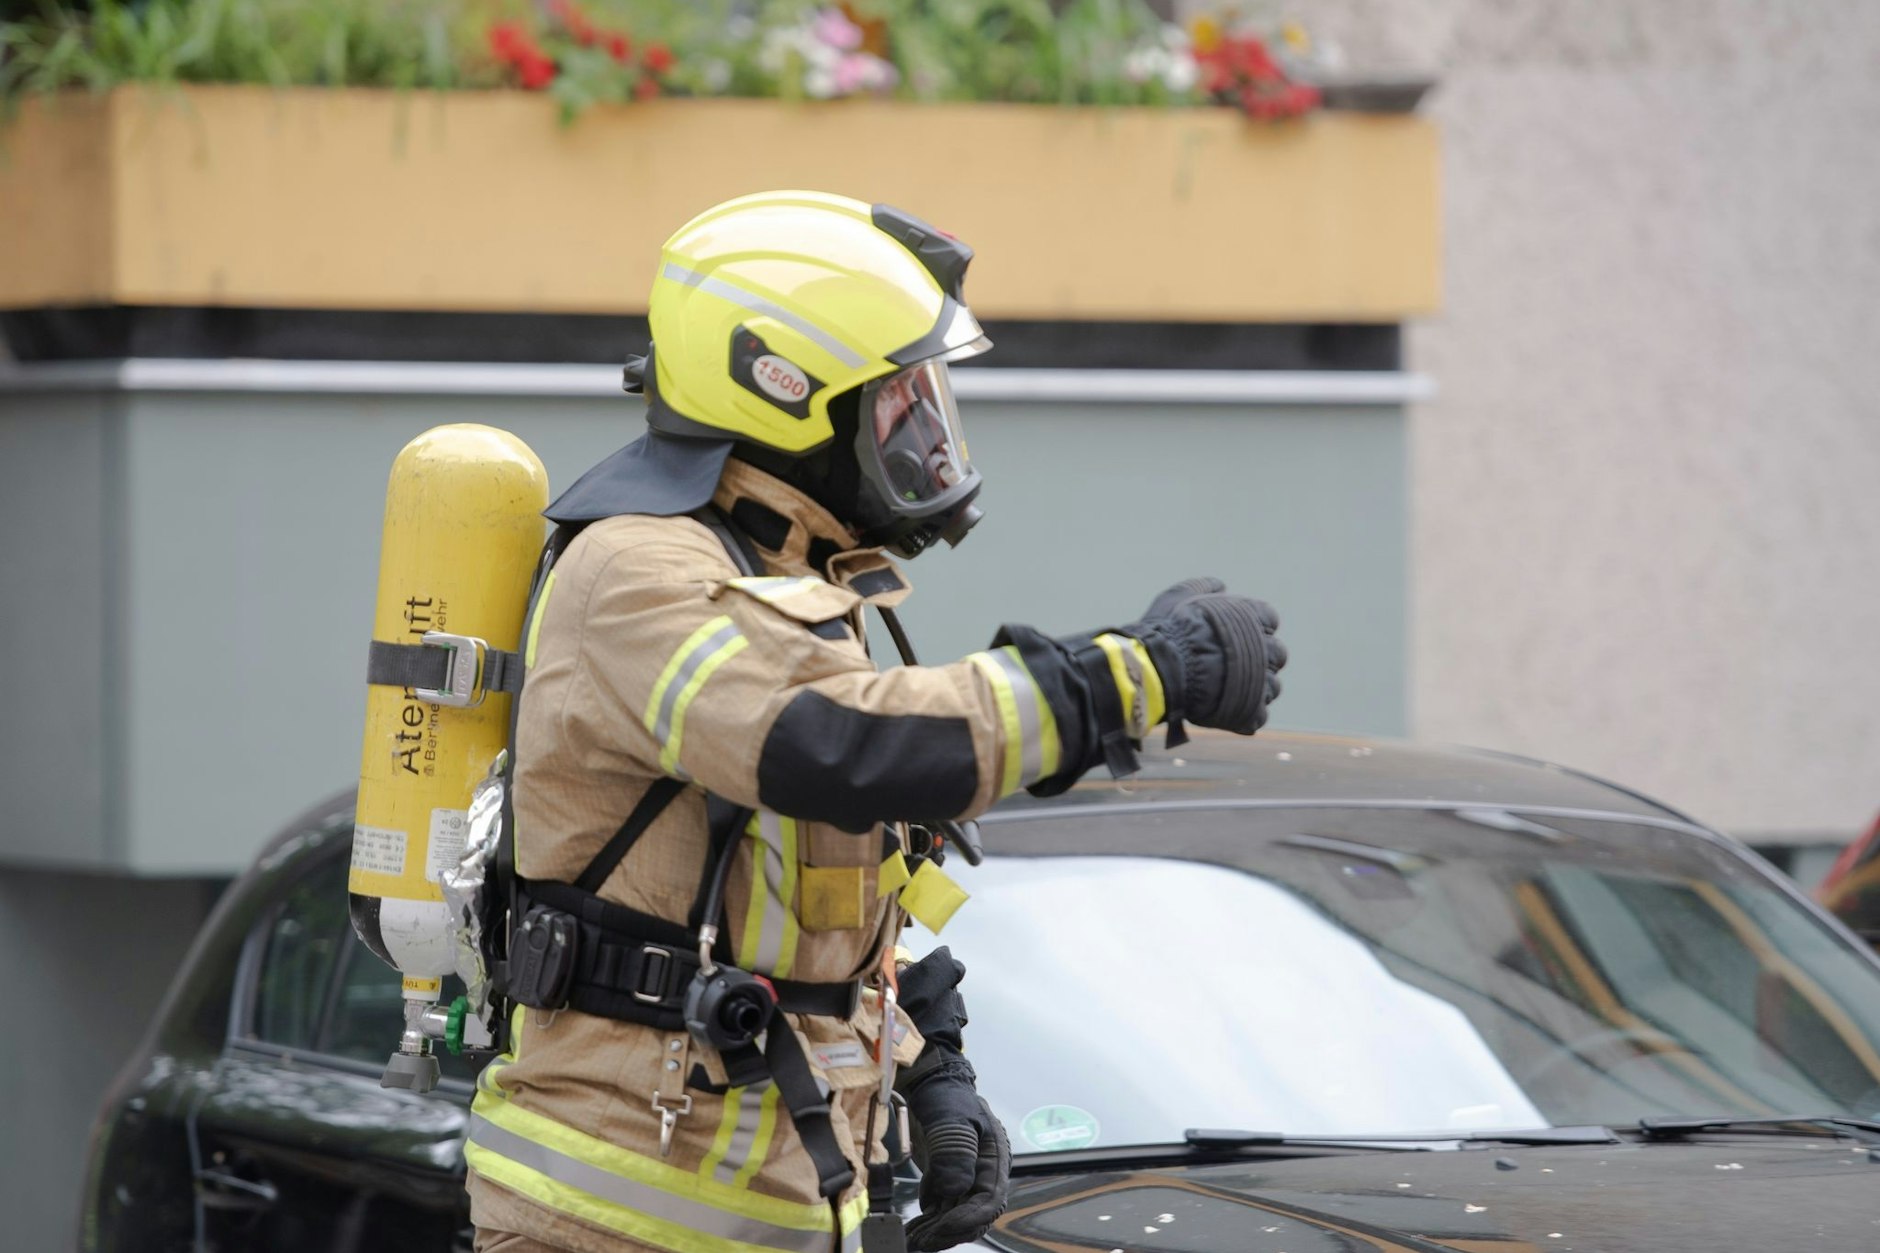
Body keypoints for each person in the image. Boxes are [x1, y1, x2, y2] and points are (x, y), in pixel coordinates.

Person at [463, 190, 1287, 1253]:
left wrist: (928, 1060)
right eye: (894, 401)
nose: (923, 428)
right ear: (779, 390)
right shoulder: (639, 571)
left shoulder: (789, 573)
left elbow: (819, 892)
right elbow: (835, 747)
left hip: (775, 1211)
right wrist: (1128, 676)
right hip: (610, 1213)